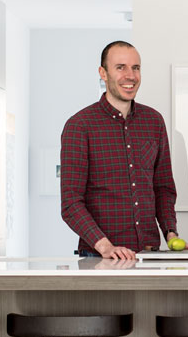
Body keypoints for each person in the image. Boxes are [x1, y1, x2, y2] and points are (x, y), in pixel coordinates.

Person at [60, 41, 181, 260]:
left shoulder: (154, 122)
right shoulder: (80, 126)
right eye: (120, 67)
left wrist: (171, 234)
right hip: (99, 257)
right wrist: (106, 247)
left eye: (136, 68)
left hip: (149, 255)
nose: (131, 75)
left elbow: (163, 188)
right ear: (103, 73)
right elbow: (71, 203)